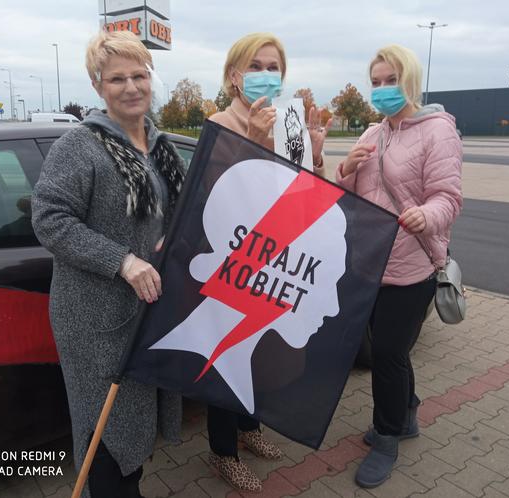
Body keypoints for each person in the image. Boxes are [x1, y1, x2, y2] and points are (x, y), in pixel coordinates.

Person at [31, 30, 186, 498]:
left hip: (145, 310)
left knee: (134, 429)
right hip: (94, 319)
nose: (131, 86)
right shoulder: (81, 146)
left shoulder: (159, 145)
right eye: (117, 78)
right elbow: (50, 219)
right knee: (106, 432)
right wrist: (123, 261)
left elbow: (178, 212)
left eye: (139, 74)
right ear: (99, 87)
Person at [204, 32, 331, 493]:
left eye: (272, 66)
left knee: (258, 351)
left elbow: (302, 196)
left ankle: (249, 427)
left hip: (274, 260)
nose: (264, 75)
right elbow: (218, 198)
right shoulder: (218, 124)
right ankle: (222, 452)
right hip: (233, 262)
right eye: (254, 66)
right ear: (234, 75)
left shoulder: (287, 121)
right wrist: (252, 142)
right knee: (228, 355)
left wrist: (314, 156)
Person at [335, 44, 462, 488]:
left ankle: (387, 437)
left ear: (410, 81)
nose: (383, 89)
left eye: (391, 80)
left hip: (413, 266)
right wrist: (346, 168)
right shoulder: (373, 133)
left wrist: (426, 215)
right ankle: (405, 413)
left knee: (387, 353)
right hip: (371, 261)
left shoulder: (437, 131)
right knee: (394, 351)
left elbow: (448, 197)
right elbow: (350, 189)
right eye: (376, 81)